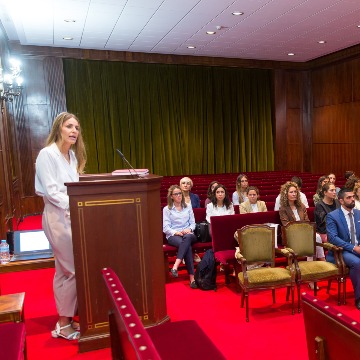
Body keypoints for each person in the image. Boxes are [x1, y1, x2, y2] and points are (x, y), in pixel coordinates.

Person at [35, 112, 87, 340]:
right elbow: (51, 191)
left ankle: (65, 320)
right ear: (59, 129)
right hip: (57, 217)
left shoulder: (72, 157)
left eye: (77, 127)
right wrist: (77, 203)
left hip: (72, 215)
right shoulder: (47, 155)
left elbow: (74, 185)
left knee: (63, 271)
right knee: (74, 269)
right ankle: (64, 323)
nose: (74, 131)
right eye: (69, 126)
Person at [326, 188, 360, 310]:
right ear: (341, 201)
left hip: (357, 248)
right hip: (341, 251)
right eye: (348, 198)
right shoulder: (332, 216)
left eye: (353, 197)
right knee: (357, 263)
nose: (352, 200)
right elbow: (333, 238)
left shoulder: (358, 213)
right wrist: (354, 248)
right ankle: (359, 298)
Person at [279, 181, 325, 261]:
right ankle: (315, 260)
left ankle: (319, 259)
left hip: (304, 231)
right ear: (286, 194)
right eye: (291, 192)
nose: (294, 194)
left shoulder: (301, 206)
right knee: (311, 237)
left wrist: (305, 230)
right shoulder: (283, 209)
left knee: (316, 236)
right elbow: (287, 225)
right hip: (291, 234)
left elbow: (307, 221)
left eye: (295, 192)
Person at [163, 185, 198, 289]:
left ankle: (175, 266)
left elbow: (193, 224)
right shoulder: (167, 209)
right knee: (187, 246)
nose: (179, 196)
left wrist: (189, 229)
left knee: (187, 238)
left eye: (180, 193)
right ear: (171, 196)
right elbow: (166, 228)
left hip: (188, 234)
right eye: (176, 194)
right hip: (174, 235)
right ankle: (192, 279)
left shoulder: (188, 206)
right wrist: (177, 232)